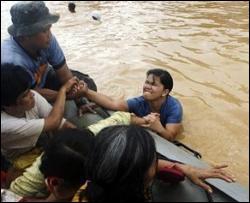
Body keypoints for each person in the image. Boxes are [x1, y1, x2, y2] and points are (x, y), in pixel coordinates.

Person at [73, 125, 235, 202]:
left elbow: (130, 166)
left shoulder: (90, 186)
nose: (157, 161)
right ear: (141, 178)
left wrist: (187, 168)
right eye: (153, 157)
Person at [1, 1, 96, 119]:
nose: (49, 35)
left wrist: (80, 100)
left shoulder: (47, 41)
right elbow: (30, 94)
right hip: (26, 93)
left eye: (49, 28)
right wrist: (66, 95)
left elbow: (65, 75)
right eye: (44, 30)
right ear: (24, 36)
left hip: (45, 78)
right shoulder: (12, 62)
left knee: (88, 84)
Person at [1, 64, 77, 178]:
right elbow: (54, 122)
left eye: (29, 90)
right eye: (25, 95)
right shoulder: (5, 124)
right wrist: (63, 91)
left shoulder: (33, 96)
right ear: (8, 106)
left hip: (39, 141)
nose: (32, 94)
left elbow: (61, 124)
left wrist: (82, 139)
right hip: (17, 158)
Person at [75, 68, 183, 141]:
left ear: (165, 92)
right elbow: (113, 103)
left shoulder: (174, 108)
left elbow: (171, 136)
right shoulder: (140, 102)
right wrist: (86, 92)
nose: (147, 87)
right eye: (147, 82)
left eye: (153, 84)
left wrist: (159, 128)